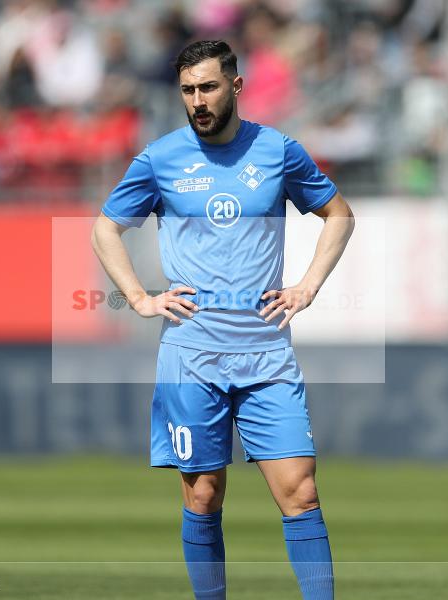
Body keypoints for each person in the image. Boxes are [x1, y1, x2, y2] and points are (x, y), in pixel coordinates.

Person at [91, 40, 354, 600]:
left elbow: (338, 215)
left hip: (266, 355)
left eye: (207, 88)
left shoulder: (278, 152)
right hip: (191, 355)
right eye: (187, 91)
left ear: (235, 86)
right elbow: (105, 228)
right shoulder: (160, 158)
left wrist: (308, 285)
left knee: (300, 492)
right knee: (203, 496)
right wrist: (139, 297)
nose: (197, 101)